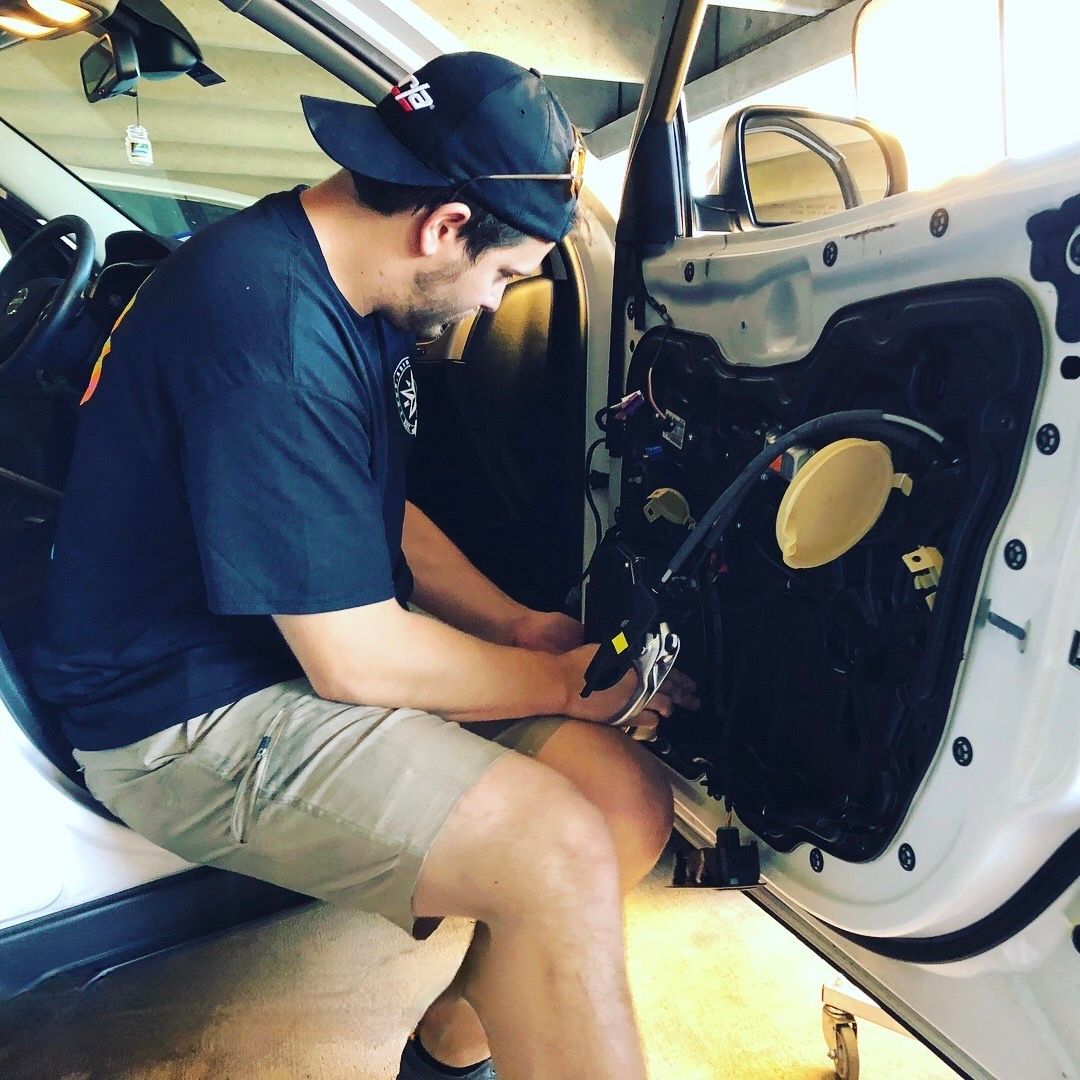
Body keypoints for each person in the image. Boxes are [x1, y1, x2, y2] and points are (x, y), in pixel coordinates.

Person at [31, 51, 699, 1080]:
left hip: (285, 657)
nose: (488, 305)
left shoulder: (338, 274)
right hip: (179, 716)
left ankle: (446, 1052)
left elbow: (371, 514)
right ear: (443, 227)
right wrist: (563, 683)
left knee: (624, 803)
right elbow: (355, 659)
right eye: (504, 274)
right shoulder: (271, 337)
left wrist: (520, 629)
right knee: (553, 852)